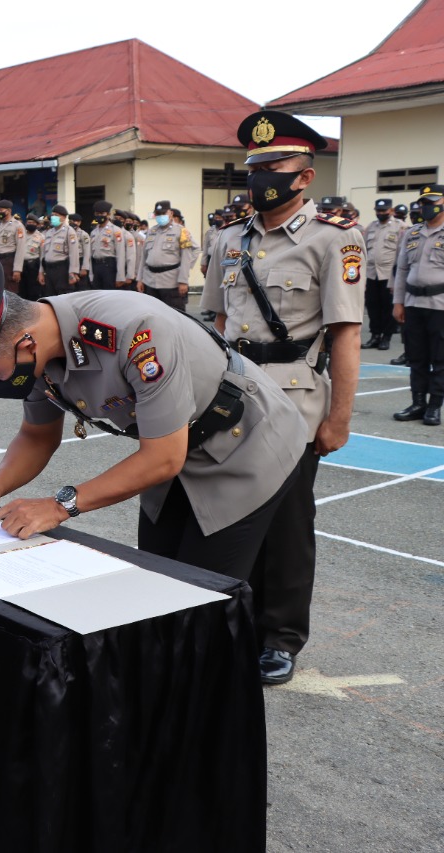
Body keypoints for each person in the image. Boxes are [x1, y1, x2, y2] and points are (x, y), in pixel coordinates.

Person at [0, 256, 306, 595]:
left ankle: (268, 649)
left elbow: (162, 458)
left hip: (244, 440)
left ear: (26, 344)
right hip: (177, 443)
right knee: (159, 576)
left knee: (206, 588)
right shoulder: (36, 353)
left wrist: (60, 505)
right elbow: (37, 434)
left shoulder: (137, 332)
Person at [200, 109, 365, 684]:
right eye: (255, 166)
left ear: (304, 177)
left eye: (276, 166)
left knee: (287, 526)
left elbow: (345, 337)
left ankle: (281, 636)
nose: (262, 176)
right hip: (230, 396)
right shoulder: (228, 237)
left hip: (295, 399)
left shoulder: (334, 238)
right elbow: (214, 323)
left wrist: (339, 419)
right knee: (224, 514)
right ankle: (231, 618)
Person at [391, 187, 444, 425]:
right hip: (413, 304)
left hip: (440, 305)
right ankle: (418, 403)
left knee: (440, 359)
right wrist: (398, 302)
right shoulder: (412, 233)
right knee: (417, 358)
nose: (426, 206)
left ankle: (434, 407)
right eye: (423, 202)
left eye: (432, 201)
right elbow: (402, 270)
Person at [363, 198, 407, 350]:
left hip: (388, 274)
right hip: (371, 273)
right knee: (372, 306)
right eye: (378, 211)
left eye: (384, 211)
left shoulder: (400, 227)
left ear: (391, 210)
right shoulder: (371, 227)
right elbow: (364, 249)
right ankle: (375, 336)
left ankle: (386, 338)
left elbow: (402, 253)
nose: (381, 213)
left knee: (387, 307)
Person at [140, 200, 197, 311]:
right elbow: (144, 257)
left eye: (163, 213)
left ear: (170, 213)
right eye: (158, 214)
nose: (161, 216)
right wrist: (140, 279)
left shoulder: (181, 231)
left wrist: (183, 281)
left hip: (171, 282)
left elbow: (186, 257)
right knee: (153, 314)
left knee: (175, 315)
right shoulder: (151, 231)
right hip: (150, 281)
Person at [39, 205, 80, 296]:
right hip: (49, 269)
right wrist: (41, 272)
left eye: (57, 215)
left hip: (62, 270)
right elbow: (43, 254)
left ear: (64, 217)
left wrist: (72, 272)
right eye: (53, 215)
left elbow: (74, 253)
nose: (54, 217)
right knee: (50, 297)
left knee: (63, 296)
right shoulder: (49, 232)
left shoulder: (69, 231)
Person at [0, 199, 27, 294]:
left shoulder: (17, 226)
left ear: (9, 211)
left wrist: (17, 269)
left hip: (9, 261)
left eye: (1, 210)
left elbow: (21, 248)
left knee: (10, 291)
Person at [88, 200, 127, 290]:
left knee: (109, 294)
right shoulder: (93, 232)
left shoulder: (116, 230)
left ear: (108, 215)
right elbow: (90, 255)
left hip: (109, 267)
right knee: (97, 294)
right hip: (96, 266)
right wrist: (91, 274)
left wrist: (120, 276)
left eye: (102, 213)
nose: (99, 216)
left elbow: (120, 254)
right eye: (97, 213)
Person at [19, 214, 44, 300]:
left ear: (37, 225)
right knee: (21, 292)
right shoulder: (21, 235)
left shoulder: (41, 237)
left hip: (33, 267)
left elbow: (42, 256)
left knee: (33, 292)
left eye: (32, 223)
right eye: (28, 222)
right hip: (21, 266)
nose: (30, 224)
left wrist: (41, 272)